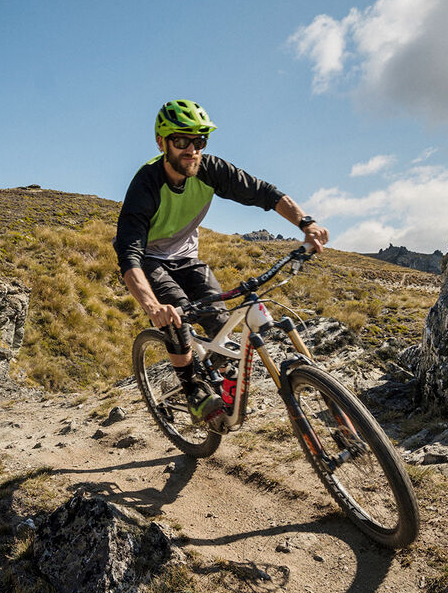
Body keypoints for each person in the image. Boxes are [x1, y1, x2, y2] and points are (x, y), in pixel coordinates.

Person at [114, 99, 330, 423]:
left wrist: (306, 223)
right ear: (162, 142)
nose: (192, 150)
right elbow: (128, 254)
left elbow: (264, 193)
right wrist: (152, 307)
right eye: (182, 141)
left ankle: (222, 376)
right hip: (148, 259)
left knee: (218, 321)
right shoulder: (146, 185)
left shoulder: (209, 169)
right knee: (176, 314)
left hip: (186, 255)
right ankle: (192, 390)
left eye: (199, 141)